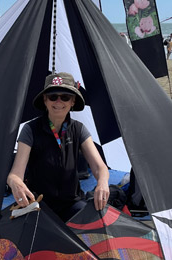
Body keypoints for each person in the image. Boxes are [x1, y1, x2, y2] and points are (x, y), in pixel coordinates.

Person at [7, 72, 109, 221]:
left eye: (65, 97)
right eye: (53, 96)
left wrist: (102, 183)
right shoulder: (30, 129)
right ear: (45, 100)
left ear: (73, 101)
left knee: (98, 225)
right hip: (39, 205)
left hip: (72, 204)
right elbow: (15, 174)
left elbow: (100, 167)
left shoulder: (79, 129)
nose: (59, 101)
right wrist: (15, 182)